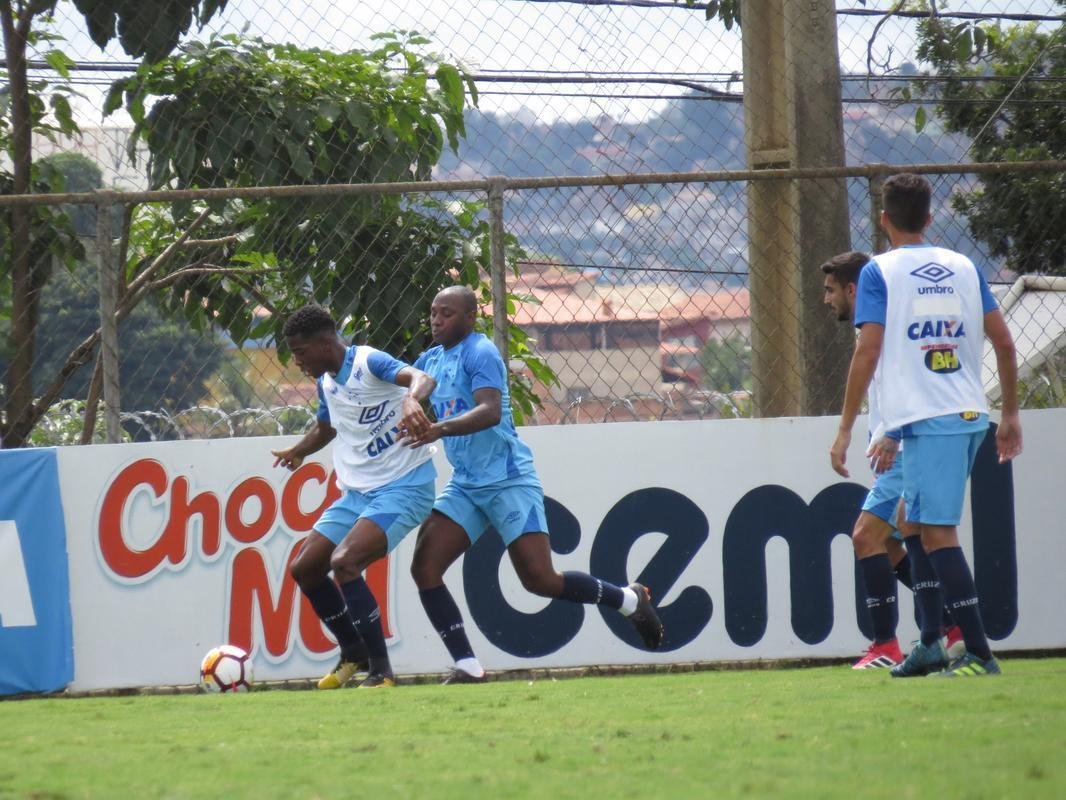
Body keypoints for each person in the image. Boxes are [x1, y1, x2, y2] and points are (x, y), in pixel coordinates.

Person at [400, 285, 663, 684]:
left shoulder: (481, 352)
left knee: (540, 580)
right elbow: (416, 382)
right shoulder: (432, 359)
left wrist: (437, 428)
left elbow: (488, 412)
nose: (436, 320)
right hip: (467, 485)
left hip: (508, 480)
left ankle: (628, 599)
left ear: (470, 318)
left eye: (447, 313)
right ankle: (468, 665)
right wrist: (408, 401)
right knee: (425, 565)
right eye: (433, 312)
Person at [830, 173, 1023, 677]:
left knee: (937, 534)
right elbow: (1004, 343)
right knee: (911, 524)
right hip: (961, 414)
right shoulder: (962, 266)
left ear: (883, 220)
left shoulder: (878, 272)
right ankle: (933, 641)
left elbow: (867, 349)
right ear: (931, 219)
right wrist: (1009, 415)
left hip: (932, 421)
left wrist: (847, 427)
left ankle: (979, 652)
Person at [270, 304, 438, 689]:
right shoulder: (326, 383)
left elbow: (421, 377)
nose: (296, 361)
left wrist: (411, 399)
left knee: (345, 562)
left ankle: (382, 671)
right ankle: (353, 651)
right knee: (306, 568)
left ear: (326, 343)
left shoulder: (368, 361)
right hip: (358, 493)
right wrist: (299, 450)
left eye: (300, 352)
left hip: (404, 486)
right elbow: (327, 427)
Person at [822, 250, 962, 670]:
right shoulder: (879, 326)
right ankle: (952, 628)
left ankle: (886, 644)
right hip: (895, 446)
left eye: (830, 291)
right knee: (892, 541)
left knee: (866, 536)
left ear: (852, 290)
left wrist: (875, 433)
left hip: (901, 449)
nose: (826, 300)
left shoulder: (877, 334)